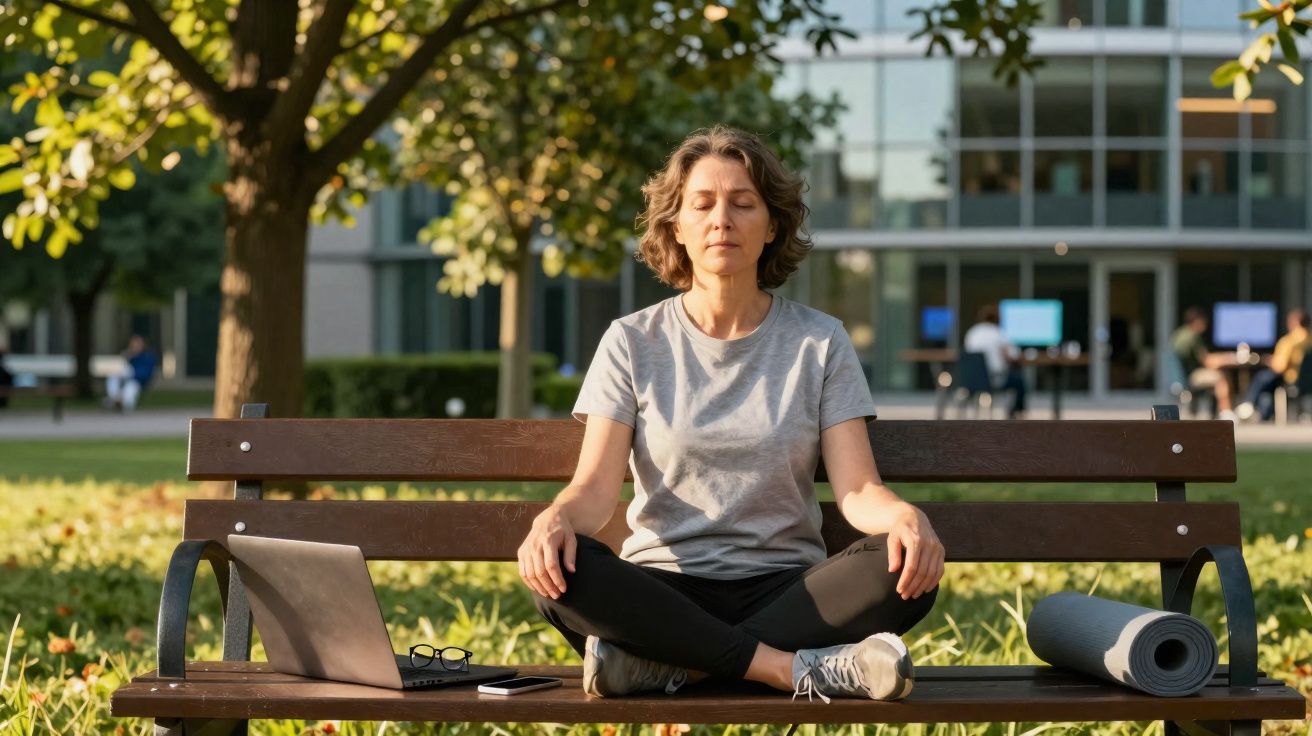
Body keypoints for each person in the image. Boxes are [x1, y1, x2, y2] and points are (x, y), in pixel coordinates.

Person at [519, 127, 943, 704]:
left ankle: (667, 666)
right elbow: (592, 491)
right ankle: (790, 670)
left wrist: (903, 516)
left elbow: (858, 488)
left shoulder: (821, 341)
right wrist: (555, 519)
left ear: (772, 227)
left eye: (744, 204)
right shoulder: (631, 341)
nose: (722, 220)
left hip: (789, 590)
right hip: (661, 590)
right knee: (561, 571)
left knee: (901, 570)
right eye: (703, 204)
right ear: (676, 226)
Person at [1236, 308, 1311, 422]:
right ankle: (1260, 410)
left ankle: (1248, 404)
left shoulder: (1289, 341)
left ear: (1294, 322)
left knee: (1263, 377)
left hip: (1291, 379)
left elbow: (1279, 367)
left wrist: (1266, 360)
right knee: (1267, 387)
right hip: (1307, 381)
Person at [962, 304, 1027, 418]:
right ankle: (1015, 414)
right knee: (1019, 381)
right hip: (994, 379)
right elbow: (1013, 355)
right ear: (997, 319)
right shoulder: (998, 333)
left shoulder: (972, 333)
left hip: (971, 380)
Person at [1170, 307, 1235, 420]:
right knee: (1221, 377)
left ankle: (1217, 411)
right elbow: (1207, 361)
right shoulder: (1192, 336)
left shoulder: (1179, 334)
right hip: (1191, 377)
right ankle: (1226, 412)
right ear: (1197, 321)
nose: (1205, 325)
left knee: (1218, 374)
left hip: (1181, 376)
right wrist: (1229, 358)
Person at [104, 335, 158, 411]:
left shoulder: (147, 357)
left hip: (137, 382)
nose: (135, 347)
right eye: (133, 345)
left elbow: (145, 375)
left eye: (137, 345)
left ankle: (122, 403)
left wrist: (131, 373)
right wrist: (125, 359)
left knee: (130, 387)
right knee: (113, 375)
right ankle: (115, 399)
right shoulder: (128, 356)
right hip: (122, 381)